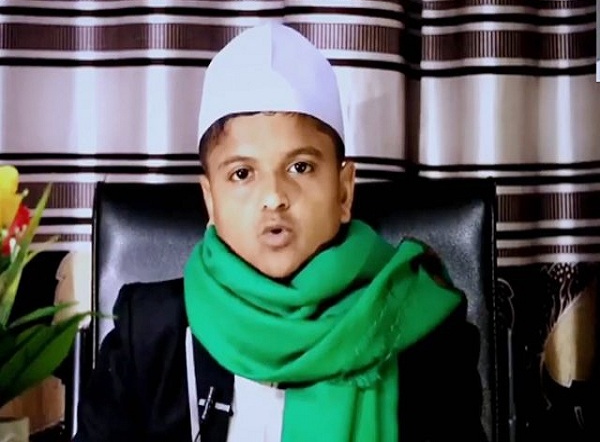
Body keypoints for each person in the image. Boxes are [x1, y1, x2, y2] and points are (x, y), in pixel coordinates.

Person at [74, 22, 486, 442]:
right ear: (211, 201)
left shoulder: (423, 328)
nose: (273, 197)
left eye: (300, 167)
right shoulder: (148, 331)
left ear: (344, 191)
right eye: (242, 173)